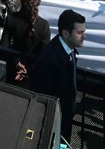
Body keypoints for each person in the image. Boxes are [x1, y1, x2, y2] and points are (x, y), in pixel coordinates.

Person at [31, 9, 86, 141]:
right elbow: (43, 95)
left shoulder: (68, 50)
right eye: (79, 33)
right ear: (66, 33)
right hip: (52, 125)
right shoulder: (49, 59)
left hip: (62, 120)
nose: (84, 37)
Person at [0, 0, 50, 88]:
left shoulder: (11, 19)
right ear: (38, 3)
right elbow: (44, 53)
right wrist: (27, 68)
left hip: (13, 69)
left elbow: (4, 44)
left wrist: (17, 63)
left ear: (21, 1)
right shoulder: (44, 25)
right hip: (32, 73)